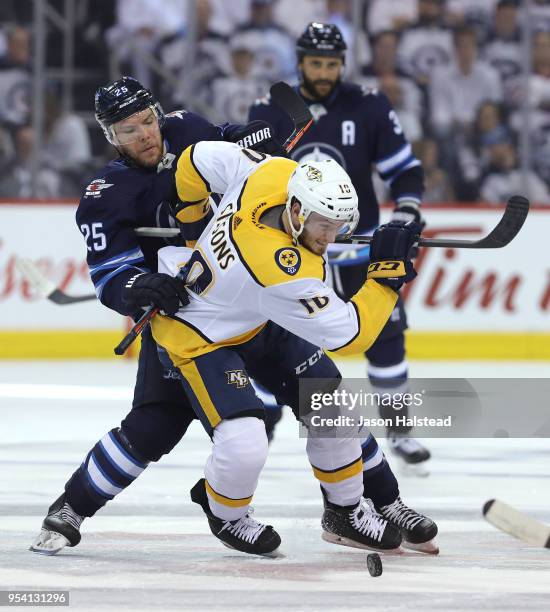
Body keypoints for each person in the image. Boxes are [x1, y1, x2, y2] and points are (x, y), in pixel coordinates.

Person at [30, 76, 285, 555]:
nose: (145, 134)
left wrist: (256, 136)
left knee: (253, 414)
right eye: (128, 130)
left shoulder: (187, 128)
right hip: (182, 325)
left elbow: (233, 142)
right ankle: (75, 506)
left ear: (159, 113)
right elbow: (110, 276)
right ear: (110, 137)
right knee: (157, 426)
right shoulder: (106, 195)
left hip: (241, 307)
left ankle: (228, 504)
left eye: (148, 121)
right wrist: (140, 285)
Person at [151, 140, 438, 556]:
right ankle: (224, 512)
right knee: (245, 442)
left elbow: (193, 158)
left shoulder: (271, 172)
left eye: (338, 224)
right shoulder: (280, 268)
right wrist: (385, 275)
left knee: (333, 406)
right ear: (298, 210)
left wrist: (193, 220)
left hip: (256, 316)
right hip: (202, 334)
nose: (330, 236)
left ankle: (344, 511)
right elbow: (350, 335)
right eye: (323, 224)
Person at [249, 22, 431, 468]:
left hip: (357, 246)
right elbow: (248, 178)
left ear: (343, 63)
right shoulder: (272, 108)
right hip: (288, 251)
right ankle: (261, 425)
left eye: (332, 63)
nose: (325, 71)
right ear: (301, 62)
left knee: (385, 332)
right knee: (269, 338)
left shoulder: (367, 105)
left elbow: (404, 171)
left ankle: (398, 429)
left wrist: (405, 212)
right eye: (316, 63)